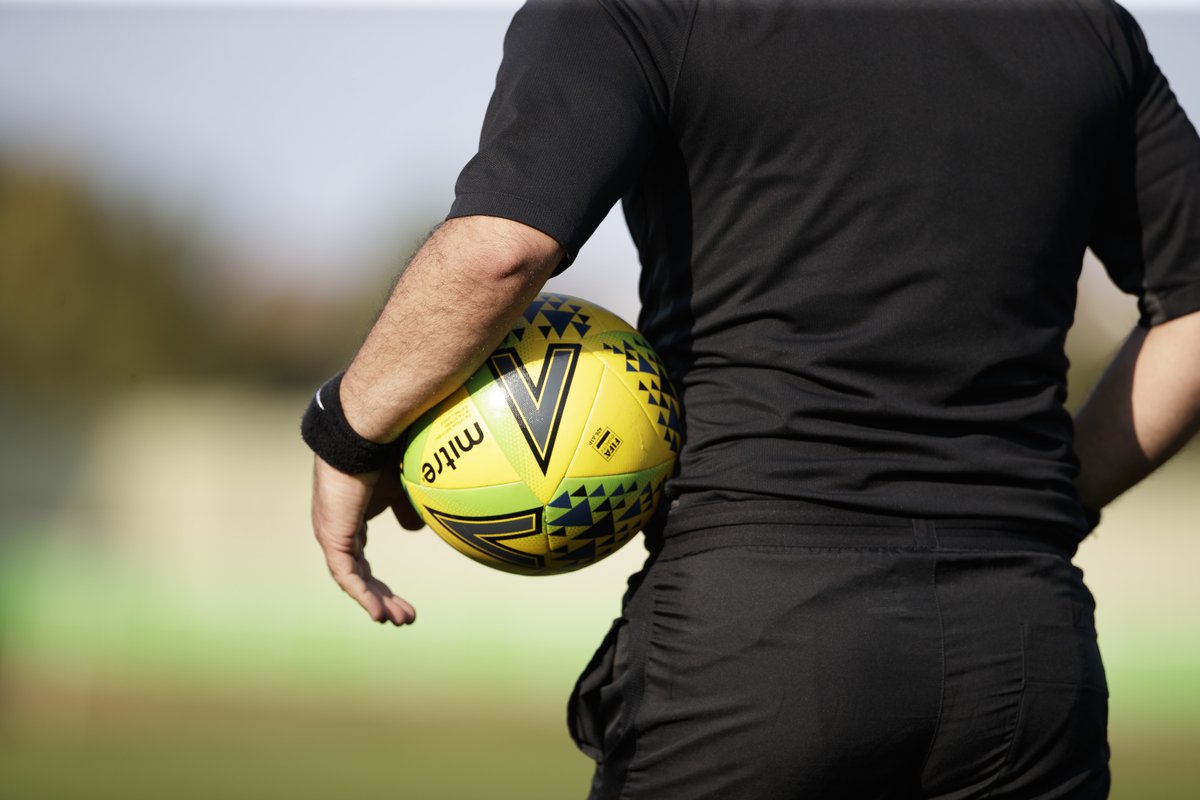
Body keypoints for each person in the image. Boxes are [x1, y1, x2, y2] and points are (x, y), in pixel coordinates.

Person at [301, 1, 1200, 797]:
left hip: (762, 641)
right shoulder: (1085, 24)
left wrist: (348, 430)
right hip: (1026, 654)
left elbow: (499, 251)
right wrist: (1042, 501)